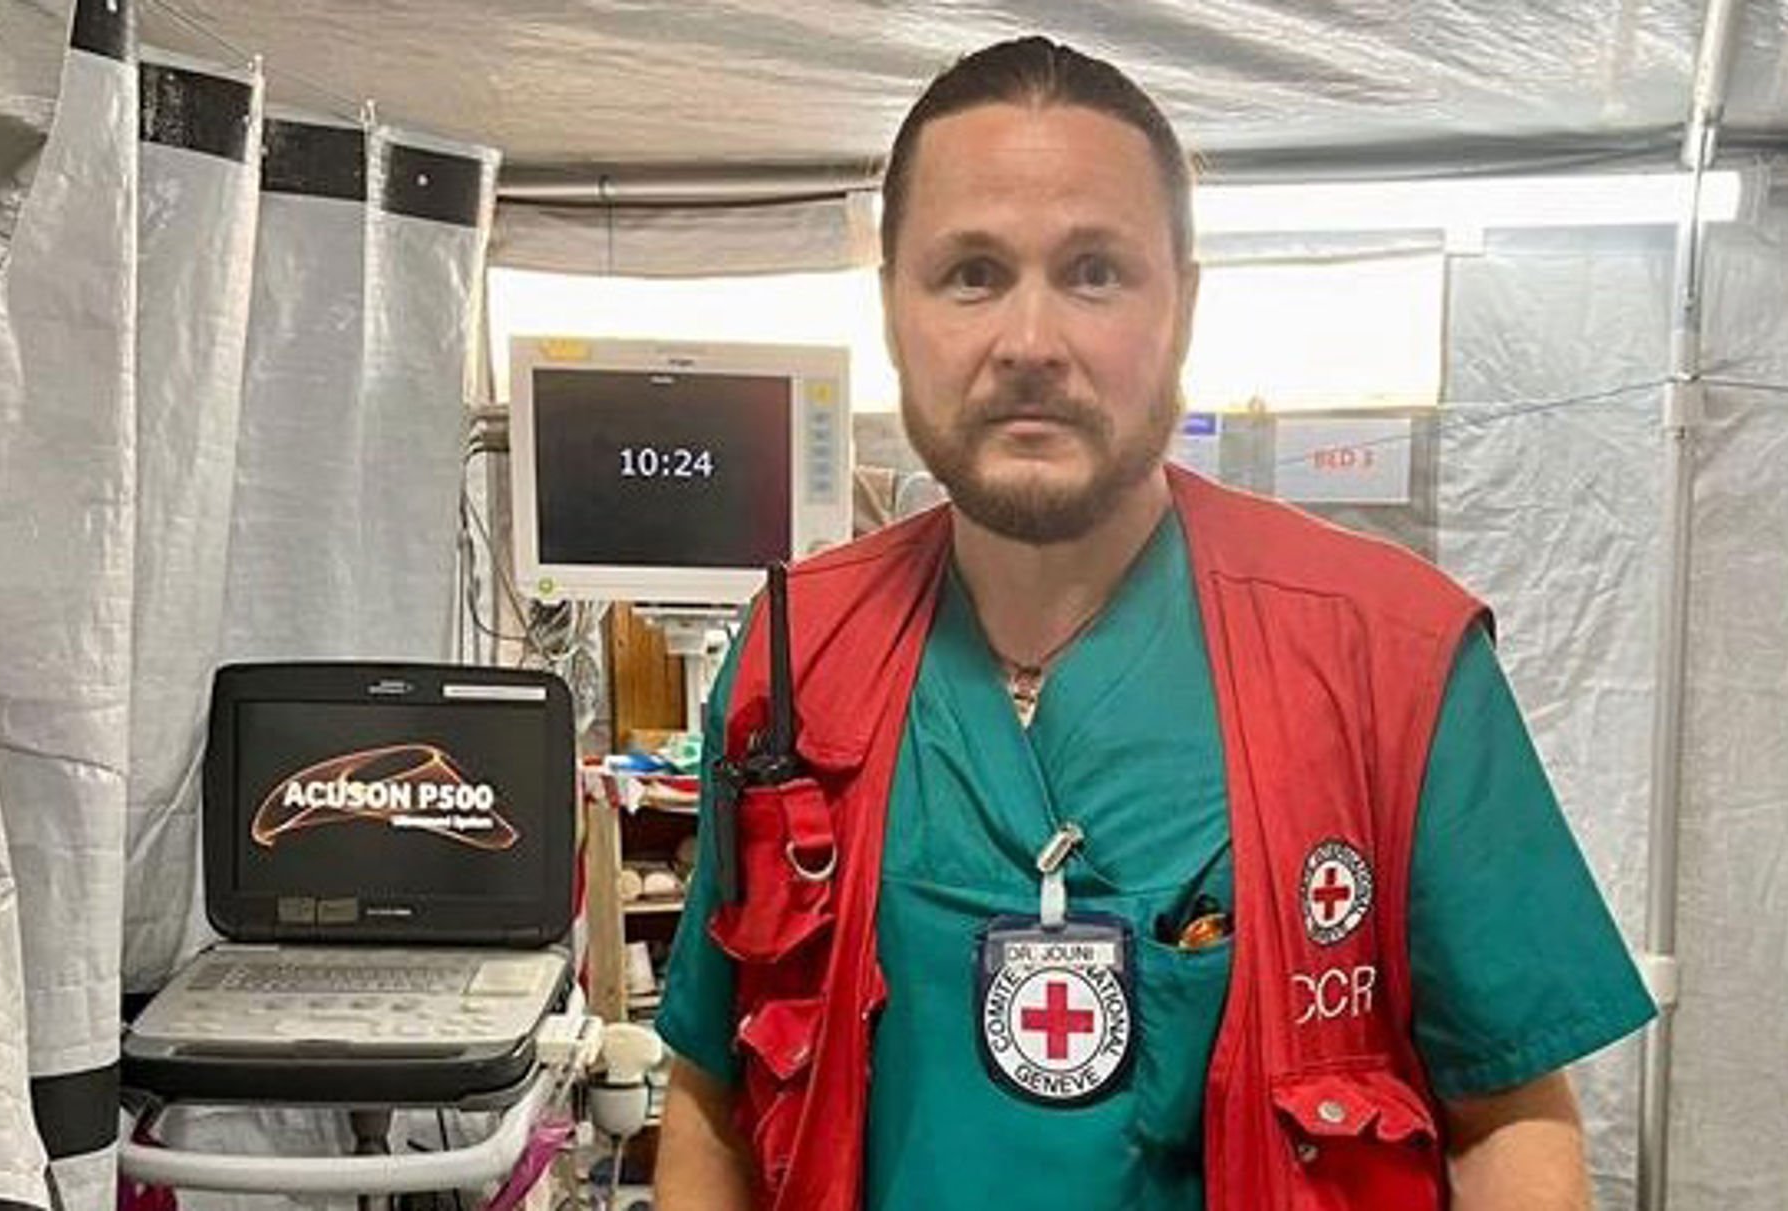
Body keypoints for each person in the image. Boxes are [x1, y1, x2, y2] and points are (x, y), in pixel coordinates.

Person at [652, 36, 1655, 1211]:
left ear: (1180, 301)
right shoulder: (794, 660)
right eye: (971, 273)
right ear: (892, 308)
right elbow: (711, 1095)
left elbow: (1510, 1121)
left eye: (1094, 272)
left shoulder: (1393, 662)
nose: (1030, 341)